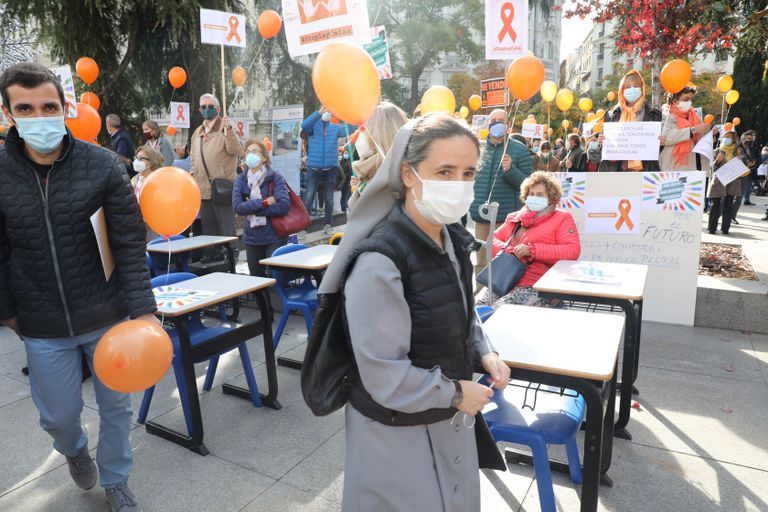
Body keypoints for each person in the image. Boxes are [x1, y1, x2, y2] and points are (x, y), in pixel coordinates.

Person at [318, 114, 509, 511]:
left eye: (468, 172)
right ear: (408, 174)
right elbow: (384, 374)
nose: (458, 185)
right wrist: (456, 392)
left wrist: (483, 350)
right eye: (444, 171)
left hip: (447, 420)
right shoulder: (380, 261)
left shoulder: (453, 240)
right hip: (396, 435)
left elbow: (460, 311)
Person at [0, 62, 157, 512]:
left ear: (65, 107)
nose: (39, 116)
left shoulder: (104, 165)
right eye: (25, 108)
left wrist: (143, 311)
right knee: (59, 416)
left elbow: (128, 243)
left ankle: (116, 480)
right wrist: (7, 310)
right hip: (41, 321)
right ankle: (73, 449)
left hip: (107, 315)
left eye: (48, 106)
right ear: (9, 112)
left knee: (116, 408)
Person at [483, 171, 580, 308]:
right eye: (531, 194)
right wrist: (511, 251)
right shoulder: (515, 217)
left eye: (540, 195)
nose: (534, 197)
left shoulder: (562, 218)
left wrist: (532, 250)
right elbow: (491, 240)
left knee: (499, 310)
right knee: (477, 308)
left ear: (551, 198)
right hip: (506, 279)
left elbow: (572, 250)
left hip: (538, 284)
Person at [469, 108, 534, 275]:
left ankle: (501, 298)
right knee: (481, 262)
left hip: (506, 218)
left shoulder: (519, 150)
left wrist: (510, 169)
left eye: (500, 121)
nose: (496, 124)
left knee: (503, 261)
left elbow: (528, 185)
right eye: (493, 121)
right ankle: (481, 298)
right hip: (481, 216)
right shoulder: (478, 148)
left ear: (508, 125)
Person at [190, 93, 242, 262]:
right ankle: (213, 253)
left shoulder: (227, 127)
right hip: (203, 187)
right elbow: (193, 157)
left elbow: (235, 150)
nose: (207, 110)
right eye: (203, 107)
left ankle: (231, 252)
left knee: (226, 223)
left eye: (211, 107)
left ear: (218, 109)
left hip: (223, 185)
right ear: (199, 109)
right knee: (209, 224)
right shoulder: (197, 132)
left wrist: (229, 131)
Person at [232, 139, 290, 279]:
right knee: (256, 280)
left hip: (274, 236)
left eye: (255, 151)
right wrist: (264, 202)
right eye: (248, 152)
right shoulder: (241, 180)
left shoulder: (275, 177)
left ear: (264, 157)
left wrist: (251, 207)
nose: (250, 155)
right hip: (252, 238)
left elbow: (283, 206)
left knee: (274, 277)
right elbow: (238, 207)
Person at [301, 106, 355, 235]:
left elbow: (350, 129)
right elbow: (304, 125)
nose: (328, 113)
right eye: (326, 111)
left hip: (330, 169)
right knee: (308, 197)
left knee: (329, 198)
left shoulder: (335, 128)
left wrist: (345, 114)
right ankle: (302, 228)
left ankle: (328, 224)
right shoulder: (313, 127)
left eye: (330, 112)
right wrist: (318, 112)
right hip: (313, 169)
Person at [348, 101, 409, 211]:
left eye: (363, 130)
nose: (359, 136)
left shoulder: (392, 179)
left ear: (380, 135)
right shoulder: (370, 169)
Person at [598, 70, 662, 172]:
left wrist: (661, 142)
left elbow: (657, 151)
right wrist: (602, 142)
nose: (632, 89)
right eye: (627, 87)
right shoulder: (611, 115)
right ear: (621, 91)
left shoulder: (654, 115)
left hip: (645, 173)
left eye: (636, 86)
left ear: (642, 88)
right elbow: (603, 150)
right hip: (617, 172)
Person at [658, 86, 710, 173]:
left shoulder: (694, 116)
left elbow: (700, 141)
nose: (689, 102)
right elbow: (665, 138)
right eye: (686, 99)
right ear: (674, 101)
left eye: (691, 100)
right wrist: (693, 130)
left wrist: (710, 133)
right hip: (673, 170)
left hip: (695, 169)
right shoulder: (665, 116)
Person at [707, 130, 742, 235]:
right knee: (715, 205)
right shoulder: (717, 151)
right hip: (719, 182)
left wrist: (740, 162)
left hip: (732, 181)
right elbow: (711, 167)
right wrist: (717, 161)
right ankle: (712, 228)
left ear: (733, 139)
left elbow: (743, 165)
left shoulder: (738, 151)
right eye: (725, 136)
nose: (727, 139)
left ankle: (725, 229)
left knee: (728, 205)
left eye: (730, 137)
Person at [130, 145, 163, 242]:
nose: (136, 161)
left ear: (151, 161)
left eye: (141, 159)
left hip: (152, 230)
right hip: (136, 228)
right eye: (136, 158)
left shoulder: (157, 180)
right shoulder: (135, 179)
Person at [338, 146, 353, 214]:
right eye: (345, 153)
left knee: (347, 195)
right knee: (344, 195)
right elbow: (342, 173)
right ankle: (344, 209)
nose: (346, 154)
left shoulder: (349, 161)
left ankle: (346, 208)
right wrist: (348, 174)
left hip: (348, 181)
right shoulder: (342, 162)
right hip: (345, 181)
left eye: (347, 153)